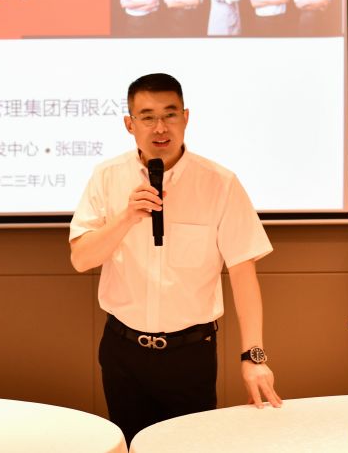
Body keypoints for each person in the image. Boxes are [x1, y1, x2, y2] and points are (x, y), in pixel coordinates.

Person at [69, 73, 281, 445]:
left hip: (191, 354)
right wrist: (127, 217)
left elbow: (243, 271)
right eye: (147, 117)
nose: (160, 127)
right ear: (129, 124)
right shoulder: (107, 177)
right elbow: (81, 258)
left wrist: (255, 357)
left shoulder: (219, 182)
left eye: (170, 114)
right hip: (123, 351)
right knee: (131, 446)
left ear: (186, 117)